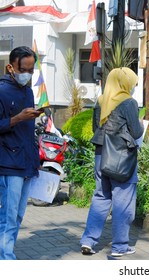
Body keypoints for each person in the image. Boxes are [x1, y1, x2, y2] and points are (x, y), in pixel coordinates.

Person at [80, 67, 143, 257]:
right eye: (132, 83)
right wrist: (140, 124)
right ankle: (120, 247)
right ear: (125, 83)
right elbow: (136, 132)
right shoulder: (129, 103)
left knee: (101, 196)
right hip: (121, 157)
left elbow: (95, 128)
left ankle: (88, 241)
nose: (132, 88)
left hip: (101, 154)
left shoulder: (100, 101)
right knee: (122, 201)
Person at [0, 46, 42, 260]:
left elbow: (28, 129)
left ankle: (7, 254)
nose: (28, 74)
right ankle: (6, 259)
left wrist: (36, 158)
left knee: (17, 215)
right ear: (11, 67)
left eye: (32, 70)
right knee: (7, 216)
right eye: (24, 69)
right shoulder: (1, 90)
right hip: (8, 163)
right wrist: (17, 118)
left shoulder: (28, 91)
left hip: (26, 161)